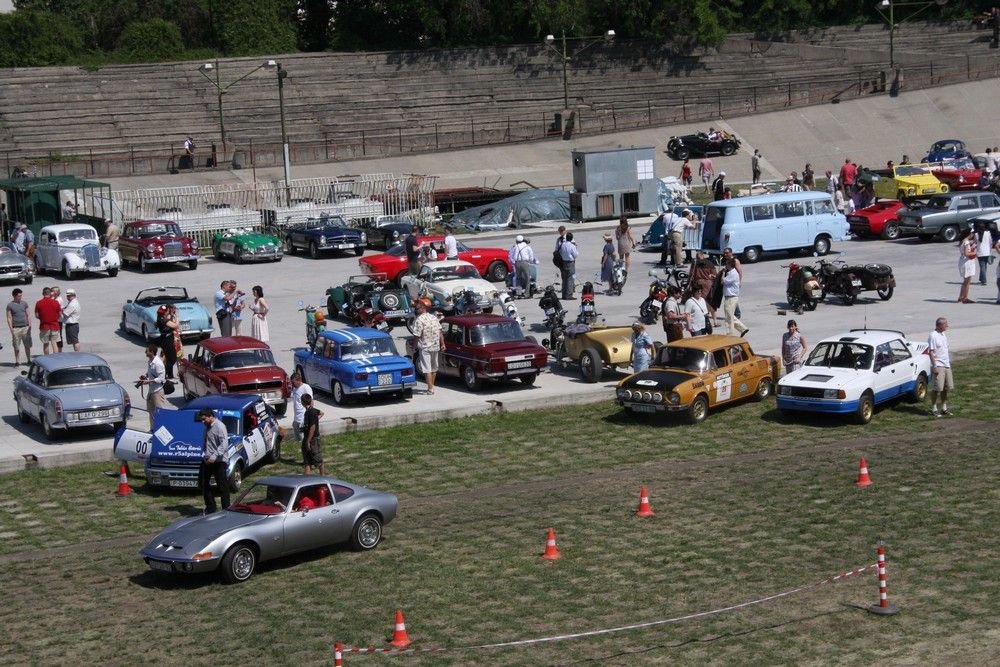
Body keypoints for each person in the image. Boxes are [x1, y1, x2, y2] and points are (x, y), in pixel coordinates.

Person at [197, 407, 230, 513]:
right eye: (201, 419)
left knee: (222, 485)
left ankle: (226, 508)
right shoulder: (207, 426)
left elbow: (224, 445)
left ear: (211, 416)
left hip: (219, 461)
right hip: (207, 459)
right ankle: (211, 507)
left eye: (204, 419)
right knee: (203, 482)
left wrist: (214, 456)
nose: (203, 422)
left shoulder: (220, 426)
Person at [411, 298, 444, 394]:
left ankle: (430, 388)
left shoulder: (419, 320)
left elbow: (416, 335)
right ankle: (432, 386)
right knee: (434, 368)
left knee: (426, 369)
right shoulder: (434, 317)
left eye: (417, 308)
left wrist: (414, 347)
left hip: (425, 347)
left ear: (423, 308)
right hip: (435, 346)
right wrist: (443, 344)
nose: (416, 310)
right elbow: (440, 331)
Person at [926, 317, 952, 417]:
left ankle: (944, 408)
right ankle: (934, 408)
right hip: (939, 365)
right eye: (945, 324)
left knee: (946, 387)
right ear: (939, 325)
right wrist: (935, 366)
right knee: (937, 388)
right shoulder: (933, 336)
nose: (947, 326)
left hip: (946, 364)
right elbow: (931, 352)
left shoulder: (943, 334)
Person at [139, 343, 170, 429]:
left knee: (159, 412)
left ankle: (161, 429)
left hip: (157, 391)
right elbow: (151, 373)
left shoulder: (158, 363)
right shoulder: (150, 361)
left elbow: (161, 379)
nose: (145, 352)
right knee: (151, 412)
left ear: (152, 352)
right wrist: (145, 377)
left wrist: (148, 381)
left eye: (147, 351)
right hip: (151, 390)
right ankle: (153, 429)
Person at [721, 255, 749, 337]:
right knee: (730, 315)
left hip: (731, 297)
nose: (725, 266)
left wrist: (722, 273)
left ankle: (730, 334)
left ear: (729, 265)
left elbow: (723, 281)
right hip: (730, 297)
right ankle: (742, 328)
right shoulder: (730, 273)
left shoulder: (732, 273)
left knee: (728, 318)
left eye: (726, 264)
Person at [689, 252, 718, 325]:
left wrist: (689, 285)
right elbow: (715, 275)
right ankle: (715, 321)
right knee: (710, 302)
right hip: (708, 284)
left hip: (698, 284)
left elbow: (691, 275)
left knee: (700, 302)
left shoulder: (695, 263)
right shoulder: (709, 263)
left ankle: (705, 321)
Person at [6, 288, 32, 366]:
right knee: (16, 346)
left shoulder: (24, 303)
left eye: (21, 295)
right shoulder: (10, 305)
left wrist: (29, 325)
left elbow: (29, 314)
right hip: (16, 328)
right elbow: (9, 317)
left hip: (25, 327)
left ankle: (28, 360)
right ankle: (17, 361)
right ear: (14, 296)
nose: (20, 297)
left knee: (27, 345)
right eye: (19, 296)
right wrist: (11, 329)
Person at [300, 394, 325, 475]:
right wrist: (315, 420)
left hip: (312, 439)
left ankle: (323, 477)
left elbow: (312, 427)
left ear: (302, 402)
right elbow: (322, 413)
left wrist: (308, 441)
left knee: (318, 459)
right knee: (307, 461)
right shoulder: (311, 411)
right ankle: (307, 480)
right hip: (307, 438)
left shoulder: (311, 412)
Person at [34, 287, 61, 354]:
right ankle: (56, 358)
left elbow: (37, 315)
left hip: (44, 326)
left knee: (46, 344)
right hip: (54, 325)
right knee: (54, 342)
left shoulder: (39, 303)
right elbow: (59, 314)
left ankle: (47, 358)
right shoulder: (56, 302)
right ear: (50, 293)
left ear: (43, 293)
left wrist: (43, 318)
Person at [156, 306, 179, 379]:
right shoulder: (163, 319)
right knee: (173, 358)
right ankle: (163, 375)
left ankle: (170, 376)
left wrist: (171, 314)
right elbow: (175, 326)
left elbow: (169, 318)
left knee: (169, 358)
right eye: (167, 311)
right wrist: (177, 318)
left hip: (167, 338)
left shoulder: (161, 318)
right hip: (166, 340)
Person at [290, 372, 313, 442]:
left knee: (303, 438)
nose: (292, 384)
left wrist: (309, 416)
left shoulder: (306, 388)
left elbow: (311, 402)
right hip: (296, 417)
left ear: (299, 380)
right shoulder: (294, 388)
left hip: (302, 417)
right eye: (292, 383)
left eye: (293, 382)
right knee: (297, 438)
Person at [957, 228, 977, 303]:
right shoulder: (966, 242)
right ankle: (965, 297)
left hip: (963, 261)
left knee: (965, 281)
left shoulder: (963, 241)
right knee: (967, 281)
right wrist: (974, 252)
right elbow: (966, 253)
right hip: (967, 262)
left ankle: (961, 296)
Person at [559, 231, 578, 300]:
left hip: (564, 262)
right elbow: (575, 255)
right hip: (570, 263)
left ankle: (564, 294)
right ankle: (569, 294)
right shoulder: (572, 246)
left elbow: (560, 253)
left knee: (564, 279)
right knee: (570, 279)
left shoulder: (563, 245)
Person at [975, 221, 993, 287]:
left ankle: (984, 280)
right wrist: (990, 250)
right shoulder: (988, 233)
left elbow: (975, 243)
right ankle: (981, 278)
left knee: (982, 266)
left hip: (980, 252)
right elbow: (990, 242)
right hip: (987, 251)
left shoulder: (976, 234)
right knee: (984, 266)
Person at [50, 285, 65, 351]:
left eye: (52, 291)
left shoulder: (59, 299)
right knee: (54, 336)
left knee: (58, 335)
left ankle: (59, 350)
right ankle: (56, 349)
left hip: (58, 320)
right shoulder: (53, 299)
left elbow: (59, 310)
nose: (52, 292)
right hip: (54, 320)